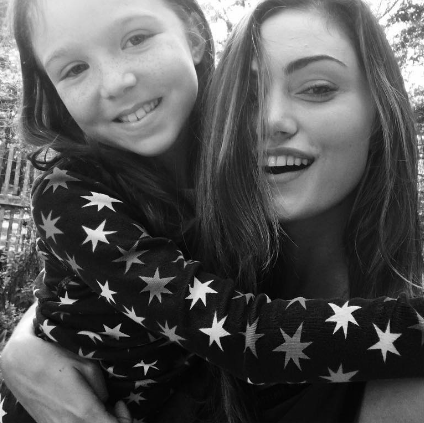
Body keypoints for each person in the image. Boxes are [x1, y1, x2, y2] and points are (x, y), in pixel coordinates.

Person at [1, 0, 424, 422]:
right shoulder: (70, 192)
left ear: (195, 36)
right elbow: (237, 332)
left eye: (137, 38)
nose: (115, 82)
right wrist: (20, 354)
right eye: (74, 68)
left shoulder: (211, 161)